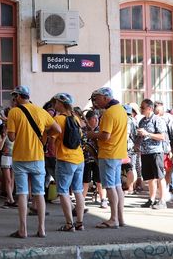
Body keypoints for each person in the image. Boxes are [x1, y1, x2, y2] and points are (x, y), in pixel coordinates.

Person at [6, 85, 60, 238]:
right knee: (39, 194)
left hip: (20, 158)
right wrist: (45, 134)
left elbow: (11, 137)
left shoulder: (14, 112)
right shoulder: (41, 111)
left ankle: (23, 230)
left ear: (17, 97)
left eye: (14, 97)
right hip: (38, 158)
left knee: (22, 194)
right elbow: (57, 129)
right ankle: (41, 229)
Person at [86, 87, 128, 229]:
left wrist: (92, 135)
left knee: (110, 187)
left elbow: (105, 136)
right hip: (117, 153)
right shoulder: (121, 110)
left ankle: (113, 219)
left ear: (105, 97)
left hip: (108, 153)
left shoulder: (109, 113)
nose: (96, 102)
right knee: (117, 186)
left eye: (97, 99)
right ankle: (120, 218)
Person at [51, 93, 85, 232]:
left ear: (61, 103)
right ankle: (80, 223)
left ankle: (69, 224)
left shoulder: (58, 119)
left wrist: (54, 153)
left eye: (56, 102)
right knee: (78, 191)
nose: (54, 105)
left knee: (63, 191)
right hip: (79, 159)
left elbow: (52, 139)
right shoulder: (76, 118)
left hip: (65, 159)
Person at [136, 99, 168, 210]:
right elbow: (140, 136)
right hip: (145, 152)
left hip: (156, 151)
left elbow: (162, 136)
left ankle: (162, 200)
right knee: (150, 178)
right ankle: (151, 199)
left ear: (149, 108)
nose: (141, 109)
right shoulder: (142, 121)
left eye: (143, 107)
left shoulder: (157, 120)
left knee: (159, 176)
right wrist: (138, 142)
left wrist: (147, 134)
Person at [81, 110, 104, 206]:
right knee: (85, 180)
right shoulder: (84, 130)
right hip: (86, 158)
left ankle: (103, 199)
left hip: (97, 158)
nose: (96, 120)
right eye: (93, 119)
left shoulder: (100, 129)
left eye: (96, 118)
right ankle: (82, 200)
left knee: (99, 180)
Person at [0, 122, 16, 208]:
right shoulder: (0, 136)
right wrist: (4, 137)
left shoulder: (15, 135)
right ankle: (11, 199)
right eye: (6, 127)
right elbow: (0, 148)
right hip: (5, 158)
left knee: (12, 179)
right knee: (8, 179)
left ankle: (9, 199)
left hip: (14, 158)